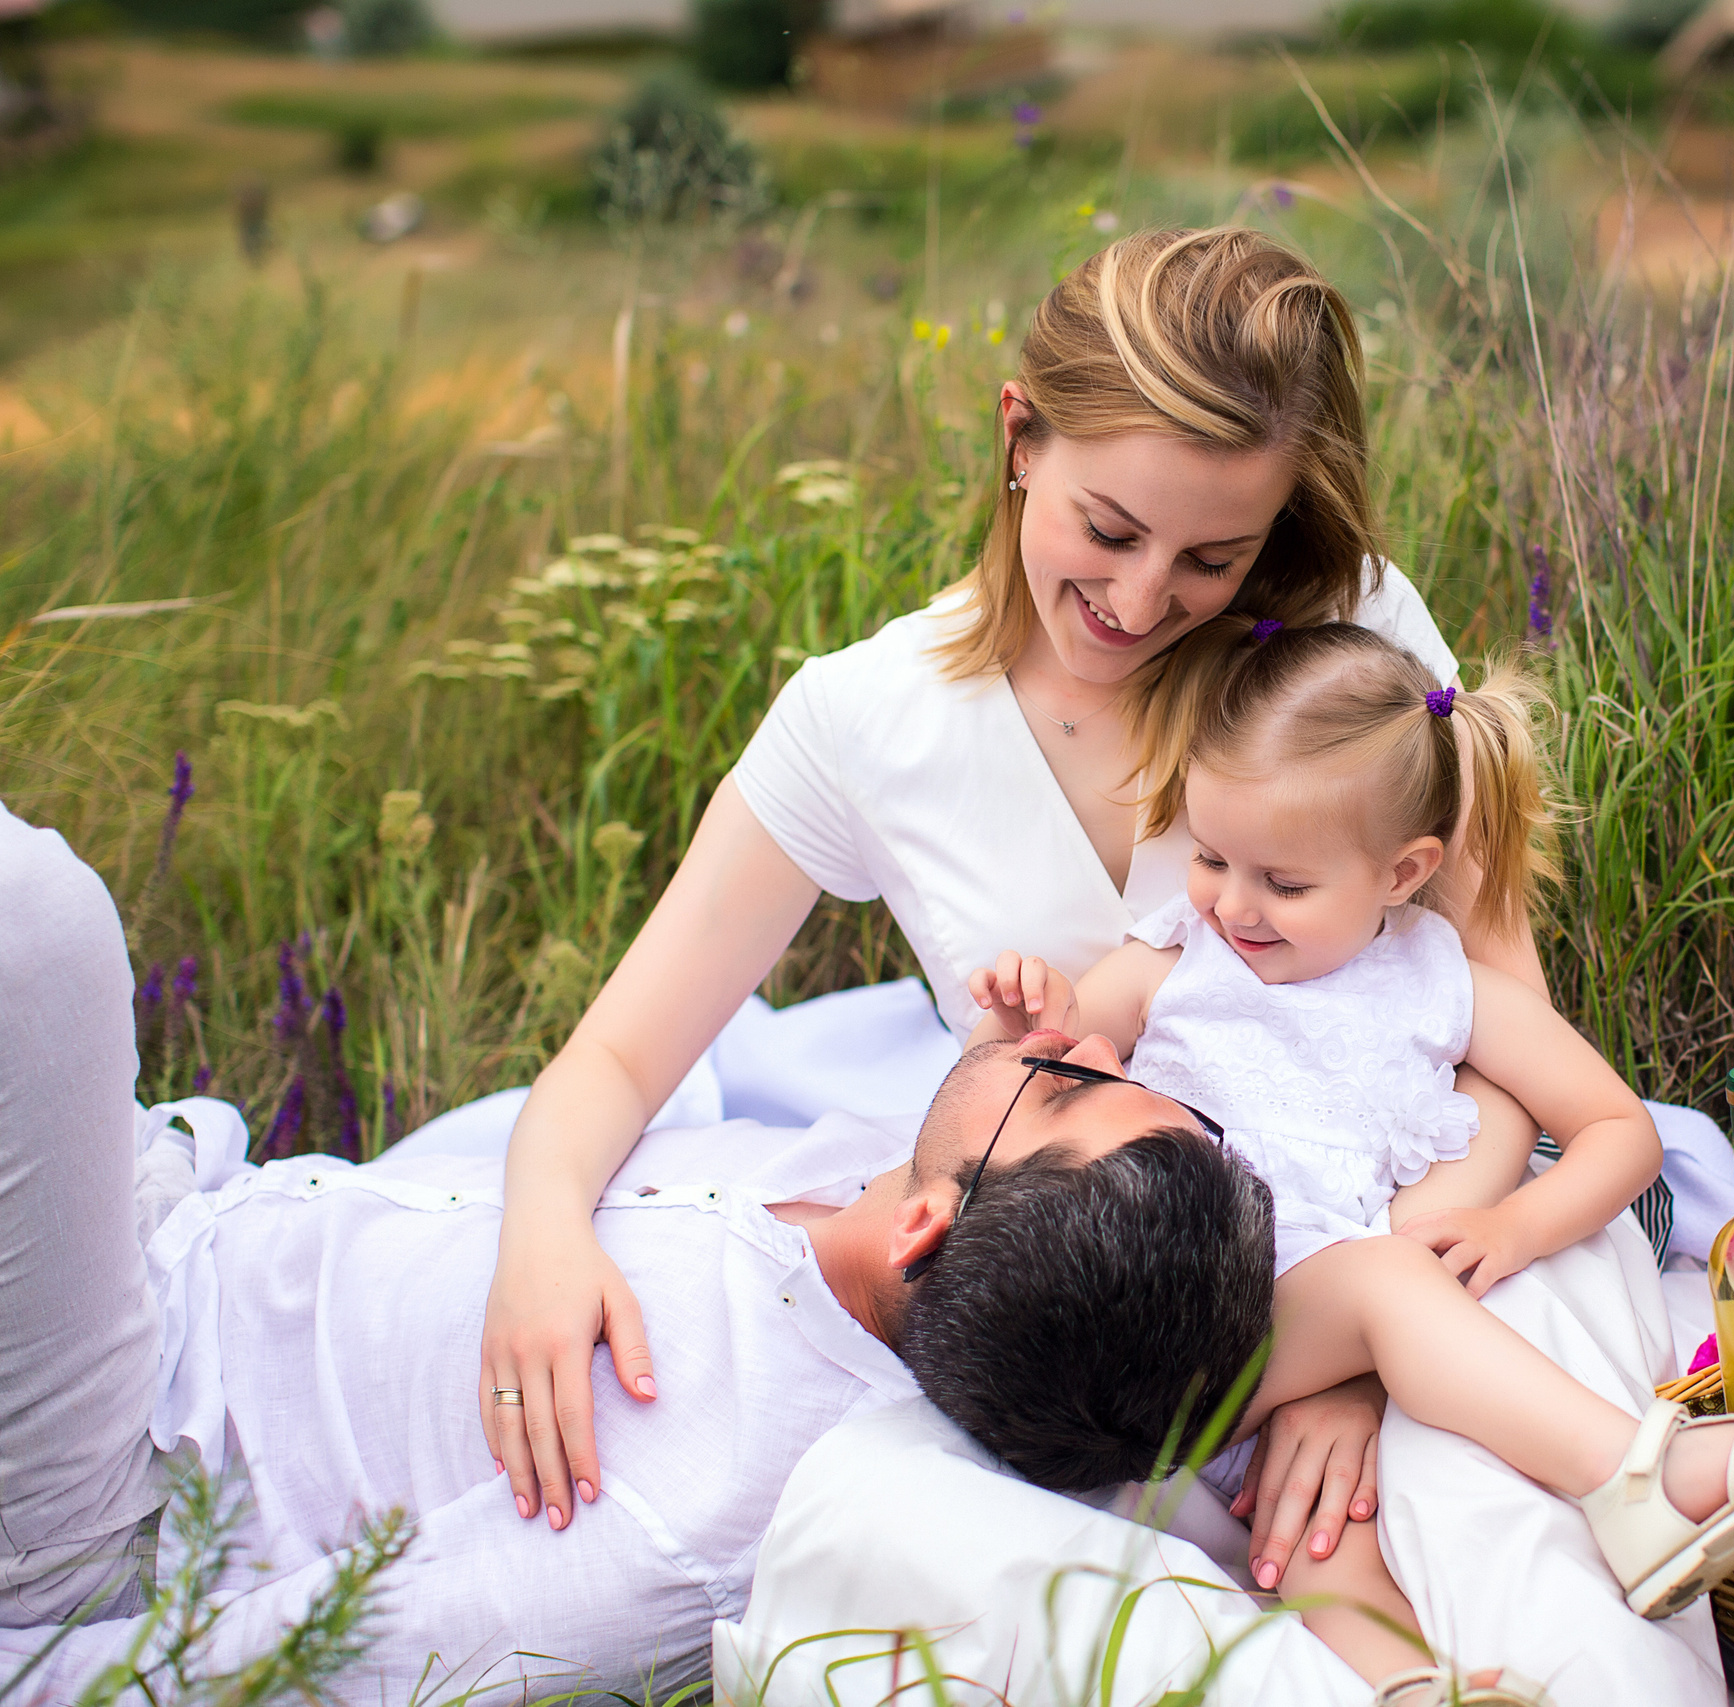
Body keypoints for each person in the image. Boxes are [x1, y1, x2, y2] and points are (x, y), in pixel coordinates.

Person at [478, 226, 1562, 1585]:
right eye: (1107, 528)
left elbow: (1494, 1008)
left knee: (1508, 1550)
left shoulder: (1345, 642)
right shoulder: (866, 719)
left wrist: (1350, 1359)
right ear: (1021, 436)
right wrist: (539, 1228)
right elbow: (626, 1050)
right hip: (1109, 1330)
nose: (1139, 598)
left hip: (1429, 1244)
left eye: (1213, 557)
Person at [0, 801, 1276, 1702]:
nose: (1102, 1043)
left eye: (1063, 1085)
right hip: (182, 1210)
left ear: (926, 1227)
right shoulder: (888, 1191)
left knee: (33, 921)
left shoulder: (690, 1520)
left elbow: (281, 1671)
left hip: (113, 1470)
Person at [964, 623, 1734, 1677]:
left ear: (1403, 871)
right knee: (1389, 1292)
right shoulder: (1180, 956)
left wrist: (1515, 1221)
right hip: (1166, 1302)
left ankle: (1407, 1687)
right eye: (1211, 855)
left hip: (1270, 1353)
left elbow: (1616, 1128)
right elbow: (1065, 1058)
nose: (1231, 902)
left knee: (1316, 1543)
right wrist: (1031, 1013)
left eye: (1283, 882)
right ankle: (1638, 1481)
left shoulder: (1441, 988)